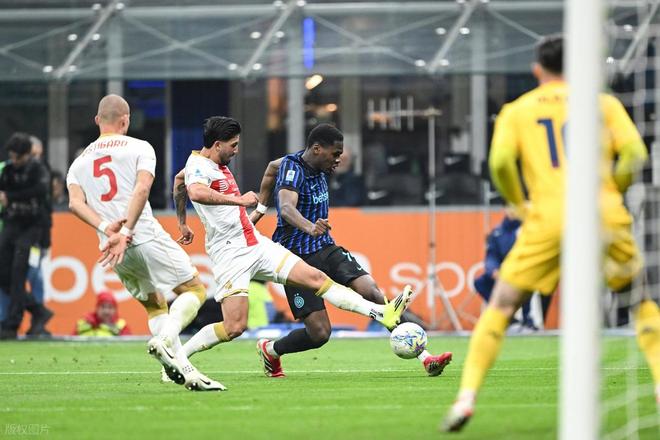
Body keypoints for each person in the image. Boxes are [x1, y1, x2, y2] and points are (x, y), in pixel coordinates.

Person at [443, 36, 659, 432]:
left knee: (502, 305)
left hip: (548, 217)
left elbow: (500, 162)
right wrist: (613, 189)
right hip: (603, 214)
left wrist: (518, 203)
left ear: (537, 69)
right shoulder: (604, 104)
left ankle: (466, 397)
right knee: (640, 300)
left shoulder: (518, 110)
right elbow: (635, 153)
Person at [167, 116, 412, 375]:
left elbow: (179, 181)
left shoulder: (211, 163)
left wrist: (182, 222)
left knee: (316, 279)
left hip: (254, 242)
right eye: (233, 145)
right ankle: (177, 355)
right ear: (217, 144)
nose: (236, 150)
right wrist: (240, 201)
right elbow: (195, 192)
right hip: (230, 252)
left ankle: (380, 312)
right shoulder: (199, 165)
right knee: (234, 327)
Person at [248, 123, 452, 378]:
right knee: (319, 334)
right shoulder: (293, 168)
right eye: (335, 154)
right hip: (295, 259)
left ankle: (426, 358)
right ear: (317, 149)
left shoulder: (309, 164)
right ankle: (271, 350)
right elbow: (287, 208)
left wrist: (260, 207)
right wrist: (301, 224)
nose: (338, 160)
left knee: (373, 293)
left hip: (325, 247)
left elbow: (270, 168)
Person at [67, 94, 224, 391]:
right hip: (141, 235)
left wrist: (108, 229)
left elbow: (75, 204)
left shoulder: (78, 163)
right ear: (126, 120)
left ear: (97, 120)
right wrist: (127, 230)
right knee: (194, 290)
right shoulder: (140, 147)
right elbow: (141, 189)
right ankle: (164, 340)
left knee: (155, 306)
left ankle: (183, 370)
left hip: (113, 247)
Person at [0, 133, 53, 339]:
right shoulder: (9, 170)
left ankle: (12, 324)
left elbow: (40, 191)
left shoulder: (38, 169)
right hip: (12, 223)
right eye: (12, 156)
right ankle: (38, 311)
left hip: (32, 227)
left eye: (18, 157)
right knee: (4, 274)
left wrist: (10, 197)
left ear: (27, 154)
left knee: (18, 272)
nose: (14, 161)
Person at [474, 209, 540, 331]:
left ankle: (528, 320)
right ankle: (508, 317)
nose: (512, 211)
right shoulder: (498, 232)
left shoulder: (528, 229)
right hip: (502, 274)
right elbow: (491, 256)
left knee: (527, 282)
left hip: (522, 272)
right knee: (480, 282)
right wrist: (493, 270)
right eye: (510, 207)